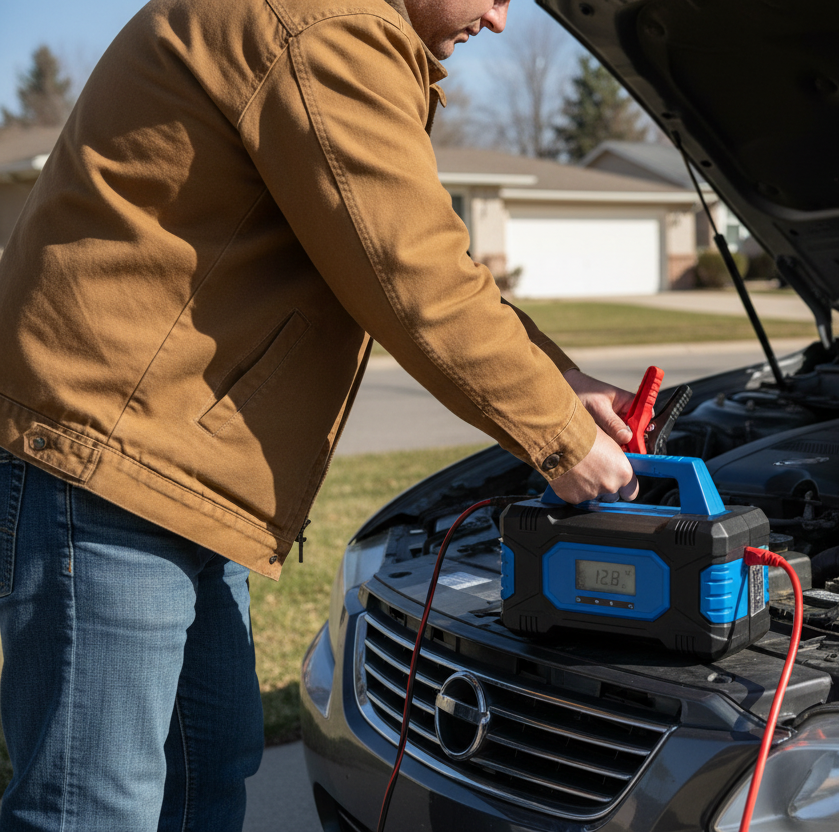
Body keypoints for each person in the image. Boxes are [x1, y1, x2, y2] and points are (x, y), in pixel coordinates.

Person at [0, 0, 638, 828]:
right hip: (109, 464)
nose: (502, 18)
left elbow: (418, 253)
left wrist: (564, 377)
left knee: (205, 778)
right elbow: (412, 279)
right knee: (95, 808)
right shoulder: (325, 25)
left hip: (172, 464)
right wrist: (561, 435)